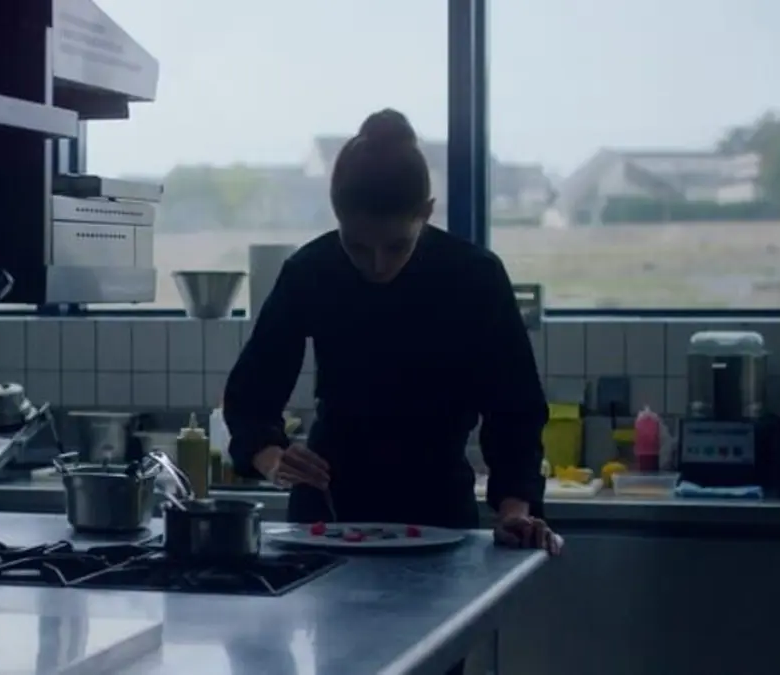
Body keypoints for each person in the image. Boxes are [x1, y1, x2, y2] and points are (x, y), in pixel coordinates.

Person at [224, 108, 562, 552]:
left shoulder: (474, 276)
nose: (378, 265)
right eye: (357, 246)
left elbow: (515, 411)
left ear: (426, 212)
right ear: (337, 216)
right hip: (328, 510)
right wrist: (274, 460)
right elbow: (250, 397)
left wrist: (515, 512)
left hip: (439, 511)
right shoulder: (310, 271)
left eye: (396, 245)